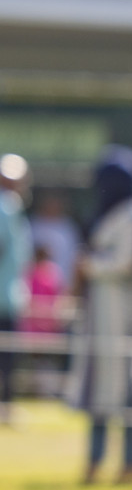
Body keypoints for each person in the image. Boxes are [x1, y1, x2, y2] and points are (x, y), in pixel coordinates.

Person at [73, 147, 132, 484]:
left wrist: (89, 266)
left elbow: (126, 261)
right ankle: (94, 461)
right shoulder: (105, 215)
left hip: (125, 313)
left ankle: (131, 463)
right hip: (100, 313)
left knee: (129, 388)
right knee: (100, 388)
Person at [0, 154, 34, 425]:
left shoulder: (13, 206)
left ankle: (6, 408)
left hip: (9, 297)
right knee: (6, 358)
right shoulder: (7, 206)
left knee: (8, 358)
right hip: (4, 298)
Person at [29, 191, 80, 288]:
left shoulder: (69, 226)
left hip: (63, 286)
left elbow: (75, 259)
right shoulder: (33, 224)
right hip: (35, 288)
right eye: (49, 201)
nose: (52, 205)